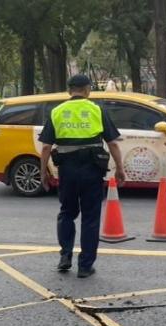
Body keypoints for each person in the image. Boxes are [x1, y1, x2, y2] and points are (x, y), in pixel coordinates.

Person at [39, 73, 125, 278]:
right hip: (92, 170)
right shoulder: (96, 110)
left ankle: (65, 256)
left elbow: (46, 147)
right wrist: (120, 168)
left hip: (67, 171)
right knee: (90, 217)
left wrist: (43, 172)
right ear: (88, 90)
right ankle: (85, 266)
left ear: (69, 91)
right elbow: (112, 143)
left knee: (67, 212)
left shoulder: (57, 111)